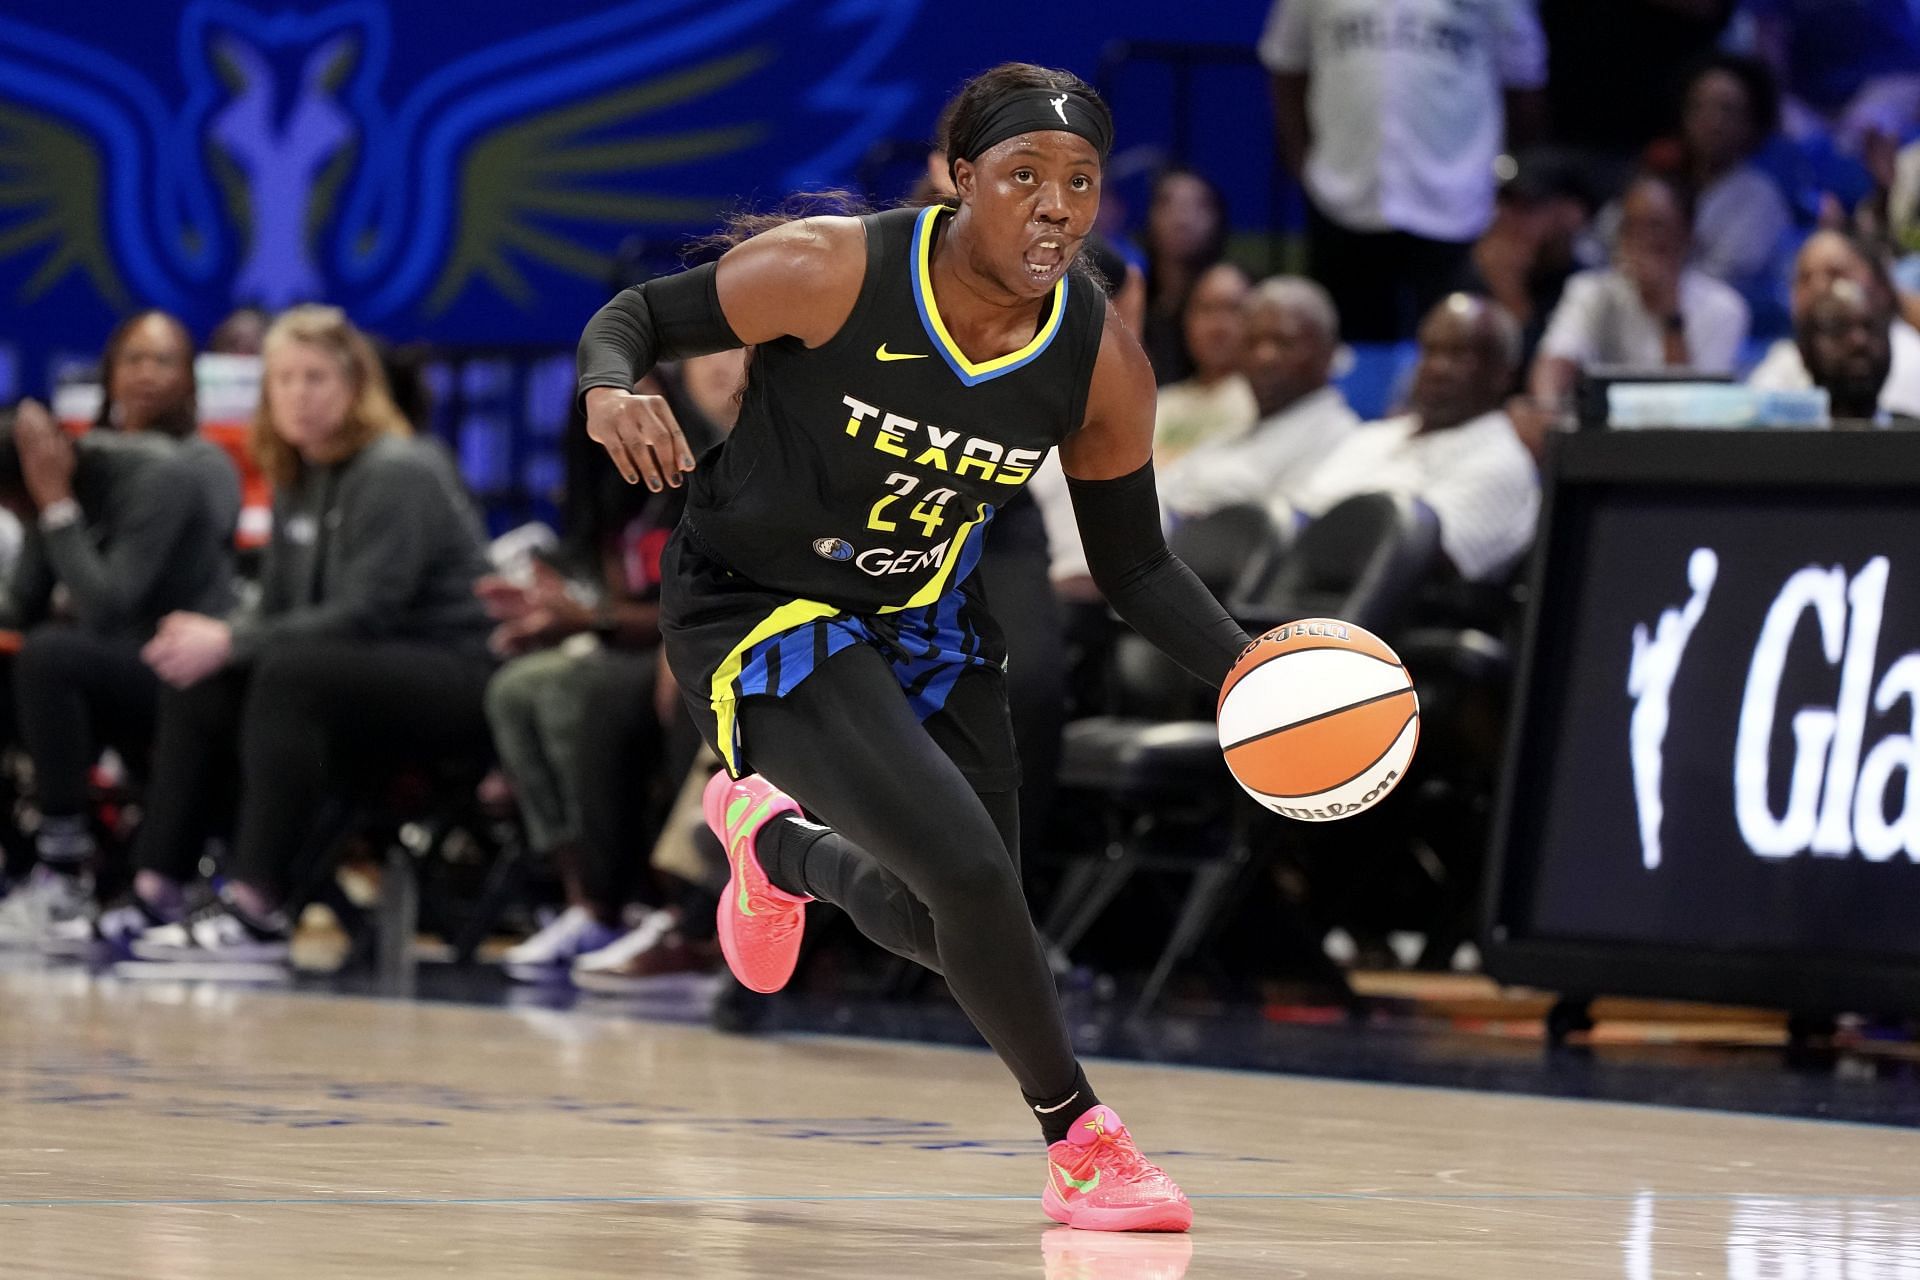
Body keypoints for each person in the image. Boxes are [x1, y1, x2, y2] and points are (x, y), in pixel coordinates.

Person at [574, 63, 1251, 1232]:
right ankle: (1083, 1141)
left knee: (966, 924)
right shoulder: (836, 267)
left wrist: (1254, 672)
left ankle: (776, 849)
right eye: (1025, 176)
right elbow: (637, 315)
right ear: (962, 179)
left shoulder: (1099, 358)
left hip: (923, 617)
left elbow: (1135, 566)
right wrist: (607, 388)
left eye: (1081, 182)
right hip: (757, 604)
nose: (1055, 205)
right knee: (974, 875)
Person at [113, 306, 496, 964]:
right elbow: (282, 609)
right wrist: (222, 641)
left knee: (287, 673)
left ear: (355, 386)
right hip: (355, 670)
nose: (297, 393)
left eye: (315, 377)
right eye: (283, 378)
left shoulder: (396, 468)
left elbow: (367, 612)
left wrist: (231, 641)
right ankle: (157, 889)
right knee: (204, 678)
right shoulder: (298, 474)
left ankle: (260, 908)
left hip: (453, 673)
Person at [486, 350, 741, 984]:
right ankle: (590, 903)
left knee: (598, 694)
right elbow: (616, 590)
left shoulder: (723, 459)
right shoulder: (611, 484)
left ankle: (675, 911)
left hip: (712, 642)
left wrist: (598, 623)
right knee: (515, 690)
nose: (629, 410)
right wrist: (560, 605)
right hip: (651, 641)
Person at [0, 405, 240, 946]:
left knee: (48, 657)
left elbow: (109, 608)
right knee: (30, 658)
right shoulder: (45, 492)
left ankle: (65, 873)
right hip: (116, 667)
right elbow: (21, 605)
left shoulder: (157, 477)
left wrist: (56, 507)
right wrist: (50, 512)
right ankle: (20, 864)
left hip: (191, 668)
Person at [1263, 0, 1548, 341]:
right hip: (1345, 192)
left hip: (1458, 201)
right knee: (1348, 353)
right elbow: (1287, 63)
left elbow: (1523, 81)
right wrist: (1302, 160)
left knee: (1458, 349)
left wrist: (1508, 177)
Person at [1281, 295, 1540, 586]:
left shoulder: (1500, 461)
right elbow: (1293, 517)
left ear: (1503, 374)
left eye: (1459, 355)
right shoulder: (1372, 436)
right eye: (1430, 351)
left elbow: (1414, 556)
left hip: (1389, 621)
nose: (1437, 368)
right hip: (1299, 594)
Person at [1530, 172, 1750, 406]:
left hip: (1680, 438)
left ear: (1687, 234)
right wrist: (1548, 411)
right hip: (1600, 436)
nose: (1642, 238)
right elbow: (1554, 363)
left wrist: (1669, 314)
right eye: (1631, 225)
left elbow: (1696, 406)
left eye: (1655, 226)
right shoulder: (1591, 290)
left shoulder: (1724, 308)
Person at [1158, 275, 1358, 521]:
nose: (1264, 357)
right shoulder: (1225, 439)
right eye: (1252, 342)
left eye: (1283, 342)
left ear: (1328, 353)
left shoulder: (1344, 443)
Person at [1747, 229, 1920, 418]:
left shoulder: (1910, 355)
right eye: (1805, 278)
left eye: (1835, 273)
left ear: (1878, 283)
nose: (1820, 288)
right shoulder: (1781, 364)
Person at [1665, 54, 1792, 302]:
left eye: (1727, 110)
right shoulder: (1662, 181)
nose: (1712, 122)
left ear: (1752, 123)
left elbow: (1726, 281)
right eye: (1699, 106)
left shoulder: (1761, 198)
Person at [1150, 262, 1259, 468]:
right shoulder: (1159, 404)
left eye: (1233, 309)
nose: (1218, 326)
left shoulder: (1265, 403)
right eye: (1206, 309)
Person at [1138, 167, 1228, 383]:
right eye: (1168, 204)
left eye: (1199, 206)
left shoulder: (1235, 295)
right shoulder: (1128, 300)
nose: (1182, 219)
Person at [1798, 278, 1914, 426]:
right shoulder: (1781, 438)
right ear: (1804, 349)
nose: (1859, 341)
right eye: (1838, 328)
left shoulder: (1912, 432)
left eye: (1871, 327)